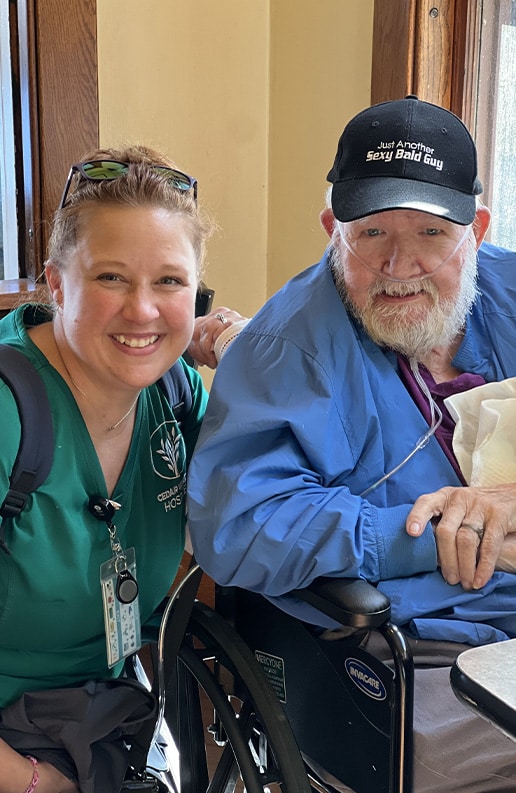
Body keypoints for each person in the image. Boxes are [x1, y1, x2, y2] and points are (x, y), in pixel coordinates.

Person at [187, 96, 516, 792]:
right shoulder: (288, 348)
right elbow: (239, 523)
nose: (400, 265)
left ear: (476, 231)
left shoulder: (509, 296)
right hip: (427, 663)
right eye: (370, 234)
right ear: (332, 228)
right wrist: (431, 531)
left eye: (432, 231)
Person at [0, 147, 244, 793]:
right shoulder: (7, 415)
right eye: (110, 277)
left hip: (104, 721)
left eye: (169, 281)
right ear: (55, 284)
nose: (143, 310)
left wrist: (244, 349)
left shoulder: (176, 395)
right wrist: (35, 782)